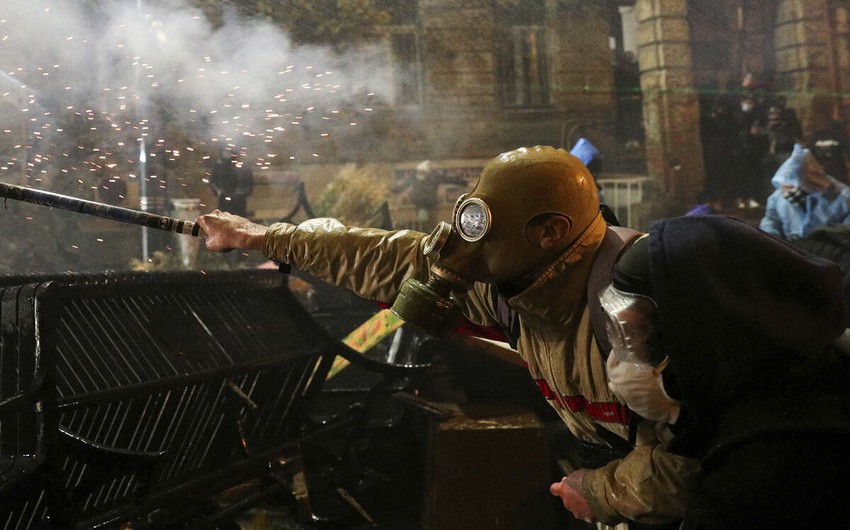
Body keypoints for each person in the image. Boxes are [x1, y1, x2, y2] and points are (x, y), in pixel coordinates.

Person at [196, 145, 698, 528]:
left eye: (485, 230)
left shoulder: (638, 311)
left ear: (550, 231)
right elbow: (386, 259)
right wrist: (259, 237)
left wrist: (601, 491)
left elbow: (705, 465)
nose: (462, 250)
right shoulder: (520, 286)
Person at [596, 214, 850, 528]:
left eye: (639, 339)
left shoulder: (753, 476)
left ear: (702, 332)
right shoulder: (815, 364)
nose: (620, 364)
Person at [759, 142, 850, 239]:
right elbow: (770, 222)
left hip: (828, 250)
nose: (786, 187)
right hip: (791, 250)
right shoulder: (777, 198)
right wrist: (773, 242)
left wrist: (821, 235)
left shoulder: (842, 196)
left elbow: (845, 231)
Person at [210, 150, 254, 217]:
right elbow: (213, 181)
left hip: (239, 201)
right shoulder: (219, 167)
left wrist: (241, 193)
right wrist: (219, 191)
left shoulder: (244, 167)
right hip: (225, 200)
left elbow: (249, 185)